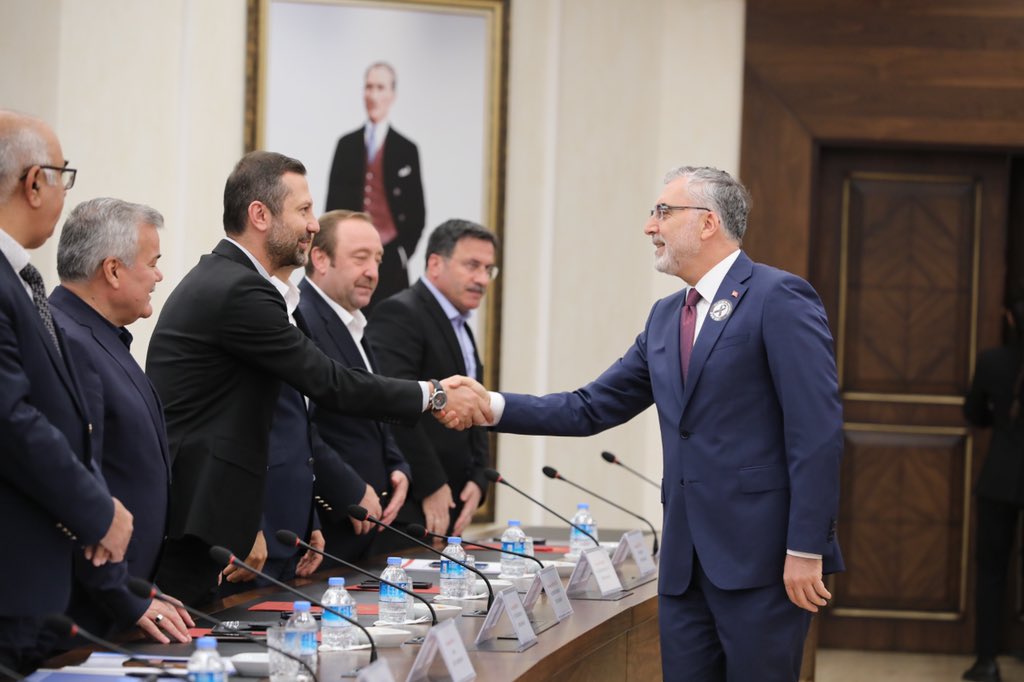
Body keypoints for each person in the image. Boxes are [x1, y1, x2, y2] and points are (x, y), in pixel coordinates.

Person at [479, 166, 844, 682]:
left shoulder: (778, 296)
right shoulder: (665, 316)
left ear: (708, 222)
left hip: (763, 564)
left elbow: (816, 432)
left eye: (663, 212)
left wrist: (805, 548)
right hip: (682, 569)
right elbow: (590, 407)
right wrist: (491, 407)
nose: (650, 226)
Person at [146, 150, 489, 606]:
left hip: (223, 521)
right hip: (199, 523)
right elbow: (331, 383)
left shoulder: (245, 285)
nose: (312, 224)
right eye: (304, 210)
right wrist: (435, 395)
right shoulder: (238, 289)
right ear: (260, 215)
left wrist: (300, 516)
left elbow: (293, 417)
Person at [0, 111, 132, 673]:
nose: (63, 192)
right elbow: (12, 420)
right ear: (34, 182)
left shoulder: (19, 280)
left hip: (33, 580)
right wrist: (96, 511)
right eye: (62, 175)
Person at [49, 198, 193, 644]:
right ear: (112, 270)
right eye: (153, 263)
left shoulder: (99, 336)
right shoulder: (68, 341)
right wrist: (123, 596)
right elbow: (75, 485)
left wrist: (141, 589)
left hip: (116, 600)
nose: (158, 276)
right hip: (84, 613)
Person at [366, 219, 497, 547]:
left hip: (454, 500)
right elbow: (393, 406)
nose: (482, 279)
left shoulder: (460, 324)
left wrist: (480, 476)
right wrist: (432, 484)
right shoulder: (400, 313)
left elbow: (476, 403)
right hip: (414, 504)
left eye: (488, 269)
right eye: (472, 266)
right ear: (436, 263)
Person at [299, 210, 413, 561]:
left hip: (369, 529)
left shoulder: (355, 323)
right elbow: (298, 425)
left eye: (377, 259)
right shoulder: (301, 318)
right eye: (360, 258)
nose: (373, 272)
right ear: (320, 258)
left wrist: (397, 466)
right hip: (327, 525)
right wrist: (347, 489)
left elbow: (373, 408)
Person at [325, 62, 426, 311]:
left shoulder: (407, 149)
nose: (373, 95)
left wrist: (402, 253)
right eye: (368, 87)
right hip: (349, 260)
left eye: (380, 88)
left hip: (391, 261)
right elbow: (331, 208)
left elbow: (417, 211)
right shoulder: (346, 145)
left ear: (392, 94)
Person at [961, 293, 1024, 682]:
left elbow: (973, 412)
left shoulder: (992, 361)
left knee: (991, 571)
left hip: (999, 477)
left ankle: (987, 661)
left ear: (1010, 320)